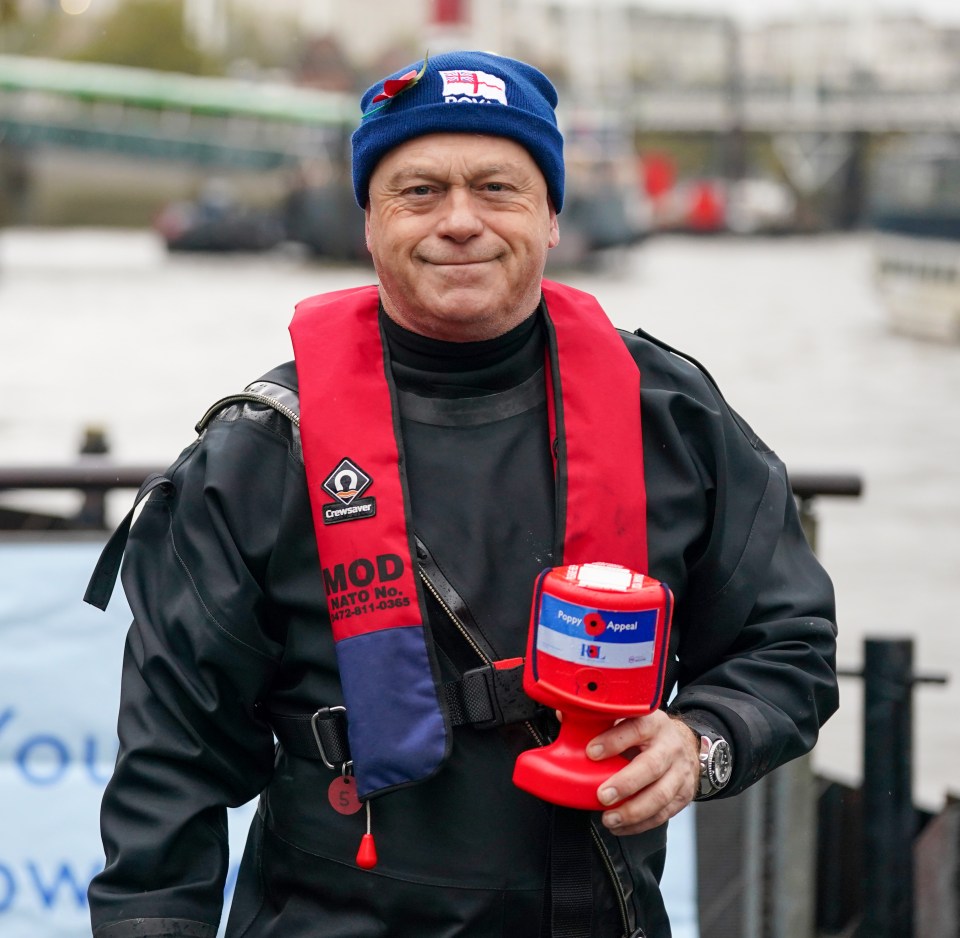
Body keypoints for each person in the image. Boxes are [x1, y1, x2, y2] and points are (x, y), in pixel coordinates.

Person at [85, 50, 838, 938]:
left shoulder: (671, 418)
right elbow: (169, 780)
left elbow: (788, 644)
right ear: (367, 221)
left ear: (553, 216)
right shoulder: (254, 457)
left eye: (497, 188)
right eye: (418, 191)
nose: (460, 221)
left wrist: (701, 741)